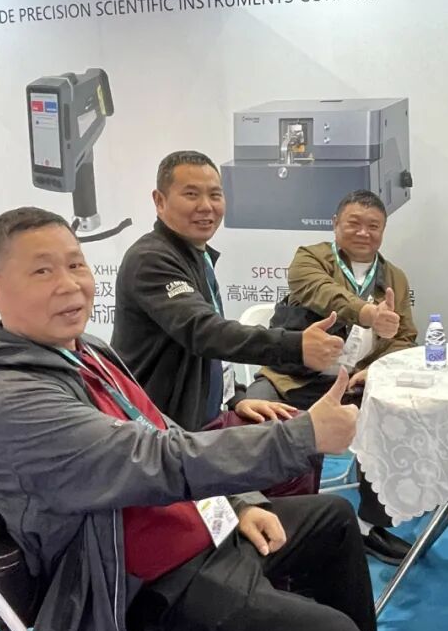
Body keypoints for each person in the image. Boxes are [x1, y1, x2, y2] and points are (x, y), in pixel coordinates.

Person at [0, 206, 416, 631]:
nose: (69, 284)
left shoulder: (84, 351)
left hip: (187, 534)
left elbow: (158, 425)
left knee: (333, 519)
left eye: (76, 264)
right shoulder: (9, 398)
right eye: (42, 271)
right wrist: (304, 435)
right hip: (127, 591)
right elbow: (155, 457)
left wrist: (238, 503)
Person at [112, 150, 344, 434]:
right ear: (159, 201)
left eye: (215, 195)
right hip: (162, 432)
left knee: (309, 432)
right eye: (191, 194)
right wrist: (295, 346)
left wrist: (237, 398)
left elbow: (211, 348)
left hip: (207, 417)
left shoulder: (197, 255)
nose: (206, 206)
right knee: (301, 441)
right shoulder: (151, 259)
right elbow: (204, 332)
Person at [248, 190, 418, 564]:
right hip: (292, 379)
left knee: (393, 416)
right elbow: (321, 292)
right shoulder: (310, 258)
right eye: (354, 223)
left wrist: (374, 368)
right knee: (254, 414)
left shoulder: (395, 278)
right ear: (335, 224)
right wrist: (369, 314)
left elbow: (405, 336)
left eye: (373, 226)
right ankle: (273, 517)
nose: (364, 233)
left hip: (354, 384)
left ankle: (371, 525)